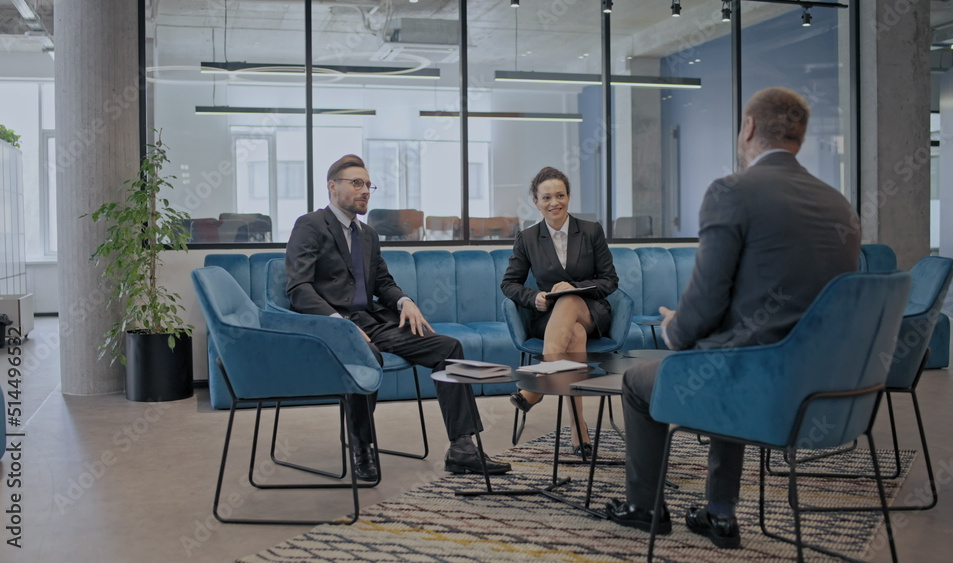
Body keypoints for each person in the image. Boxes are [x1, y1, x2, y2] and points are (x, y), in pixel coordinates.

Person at [604, 87, 861, 549]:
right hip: (828, 390)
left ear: (748, 129)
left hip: (755, 385)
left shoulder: (732, 191)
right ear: (800, 136)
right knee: (737, 348)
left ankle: (645, 508)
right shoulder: (839, 204)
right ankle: (718, 511)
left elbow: (702, 305)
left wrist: (673, 327)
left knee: (639, 383)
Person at [285, 154, 512, 481]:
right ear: (332, 187)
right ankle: (361, 445)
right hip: (332, 327)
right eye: (356, 183)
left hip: (373, 322)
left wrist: (404, 301)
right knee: (368, 357)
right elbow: (298, 288)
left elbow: (383, 283)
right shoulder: (310, 225)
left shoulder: (367, 235)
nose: (365, 191)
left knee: (450, 349)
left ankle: (462, 449)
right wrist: (339, 323)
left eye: (368, 185)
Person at [501, 167, 620, 456]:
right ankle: (579, 430)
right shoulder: (528, 238)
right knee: (574, 337)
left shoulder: (591, 231)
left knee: (569, 303)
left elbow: (610, 280)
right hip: (550, 318)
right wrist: (535, 297)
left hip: (590, 310)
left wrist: (573, 286)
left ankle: (538, 386)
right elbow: (509, 284)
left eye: (560, 195)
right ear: (536, 201)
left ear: (568, 196)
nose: (554, 202)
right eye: (546, 197)